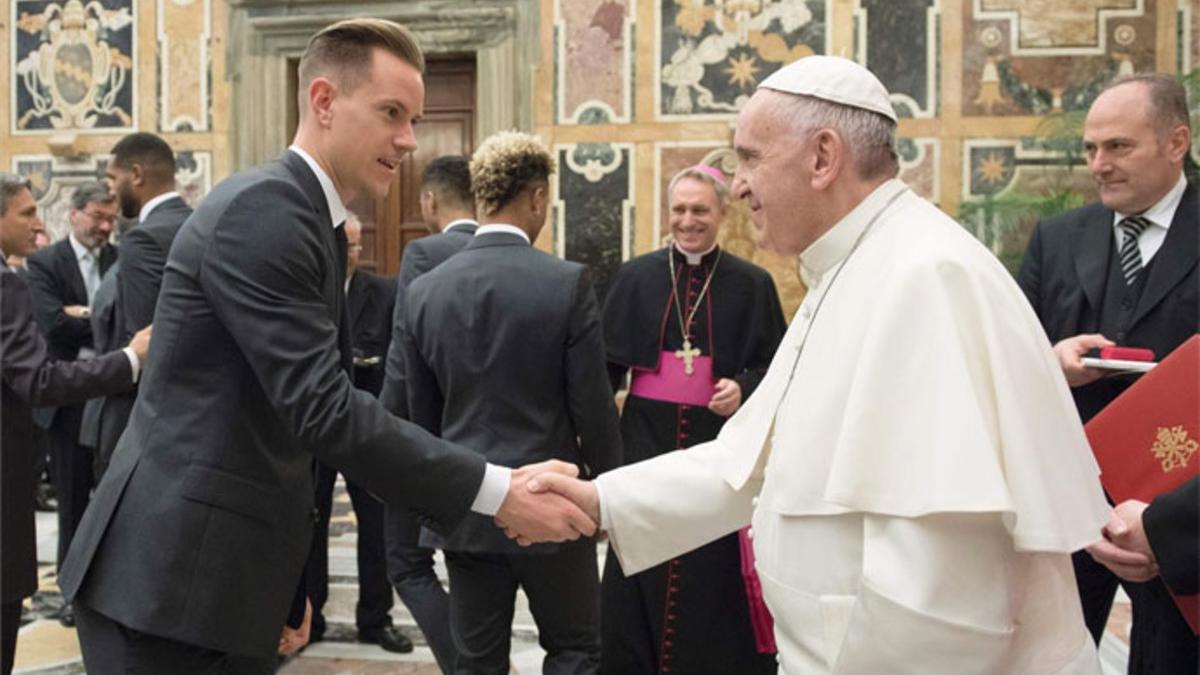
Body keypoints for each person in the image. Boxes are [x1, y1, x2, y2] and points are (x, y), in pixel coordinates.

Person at [523, 55, 1113, 674]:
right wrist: (601, 503)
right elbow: (754, 460)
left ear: (823, 157)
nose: (738, 183)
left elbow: (942, 597)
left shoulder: (926, 279)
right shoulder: (851, 264)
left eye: (749, 157)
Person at [57, 18, 594, 674]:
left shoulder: (311, 220)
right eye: (391, 112)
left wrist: (283, 587)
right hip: (168, 584)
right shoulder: (267, 211)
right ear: (323, 102)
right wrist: (496, 488)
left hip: (221, 577)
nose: (408, 140)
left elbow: (277, 417)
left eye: (415, 118)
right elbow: (323, 409)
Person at [402, 131, 622, 674]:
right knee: (574, 650)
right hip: (556, 502)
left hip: (470, 503)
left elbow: (419, 418)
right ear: (538, 198)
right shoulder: (566, 282)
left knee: (477, 662)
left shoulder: (425, 291)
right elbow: (591, 406)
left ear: (481, 197)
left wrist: (437, 503)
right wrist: (610, 494)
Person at [1017, 73, 1198, 673]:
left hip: (1179, 511)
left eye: (1118, 146)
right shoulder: (1058, 237)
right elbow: (1012, 359)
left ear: (1177, 142)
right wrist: (1053, 364)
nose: (1099, 164)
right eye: (1091, 148)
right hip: (1070, 505)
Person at [599, 165, 784, 675]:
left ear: (723, 213)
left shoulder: (752, 285)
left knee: (709, 573)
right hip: (645, 446)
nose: (688, 221)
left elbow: (778, 366)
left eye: (700, 210)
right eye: (679, 210)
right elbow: (603, 369)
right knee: (639, 569)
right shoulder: (636, 277)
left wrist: (742, 387)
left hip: (716, 451)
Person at [0, 173, 150, 675]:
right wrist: (129, 357)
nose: (37, 222)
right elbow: (37, 380)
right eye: (25, 212)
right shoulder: (8, 282)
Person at [379, 154, 478, 672]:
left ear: (429, 201)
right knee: (471, 565)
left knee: (407, 561)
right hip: (490, 443)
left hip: (425, 440)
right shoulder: (519, 256)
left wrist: (380, 435)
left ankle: (465, 663)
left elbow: (404, 355)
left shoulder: (424, 254)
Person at [305, 214, 412, 653]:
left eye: (354, 245)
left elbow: (397, 357)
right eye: (342, 245)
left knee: (376, 527)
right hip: (315, 430)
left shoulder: (384, 292)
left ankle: (375, 617)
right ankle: (309, 615)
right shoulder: (306, 292)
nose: (351, 254)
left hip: (366, 430)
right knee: (310, 523)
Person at [23, 180, 118, 626]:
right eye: (97, 218)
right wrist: (99, 316)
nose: (104, 227)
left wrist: (81, 312)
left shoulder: (122, 259)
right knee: (72, 501)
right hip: (66, 402)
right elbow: (53, 328)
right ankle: (70, 592)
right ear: (74, 214)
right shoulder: (45, 263)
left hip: (115, 395)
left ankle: (111, 591)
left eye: (110, 219)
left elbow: (131, 323)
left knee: (115, 498)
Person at [79, 132, 193, 478]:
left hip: (141, 422)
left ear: (137, 175)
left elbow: (144, 339)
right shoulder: (195, 222)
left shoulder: (143, 239)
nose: (111, 190)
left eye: (113, 178)